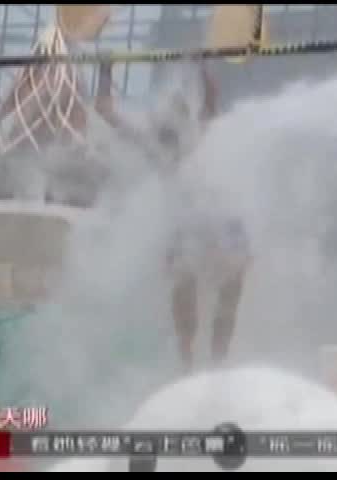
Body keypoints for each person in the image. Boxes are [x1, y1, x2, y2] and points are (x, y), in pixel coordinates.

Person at [96, 60, 250, 372]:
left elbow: (210, 101)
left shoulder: (201, 134)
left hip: (218, 224)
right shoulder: (156, 146)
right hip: (185, 231)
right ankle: (188, 362)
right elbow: (105, 111)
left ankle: (217, 359)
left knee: (232, 278)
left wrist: (204, 66)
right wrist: (105, 71)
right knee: (183, 281)